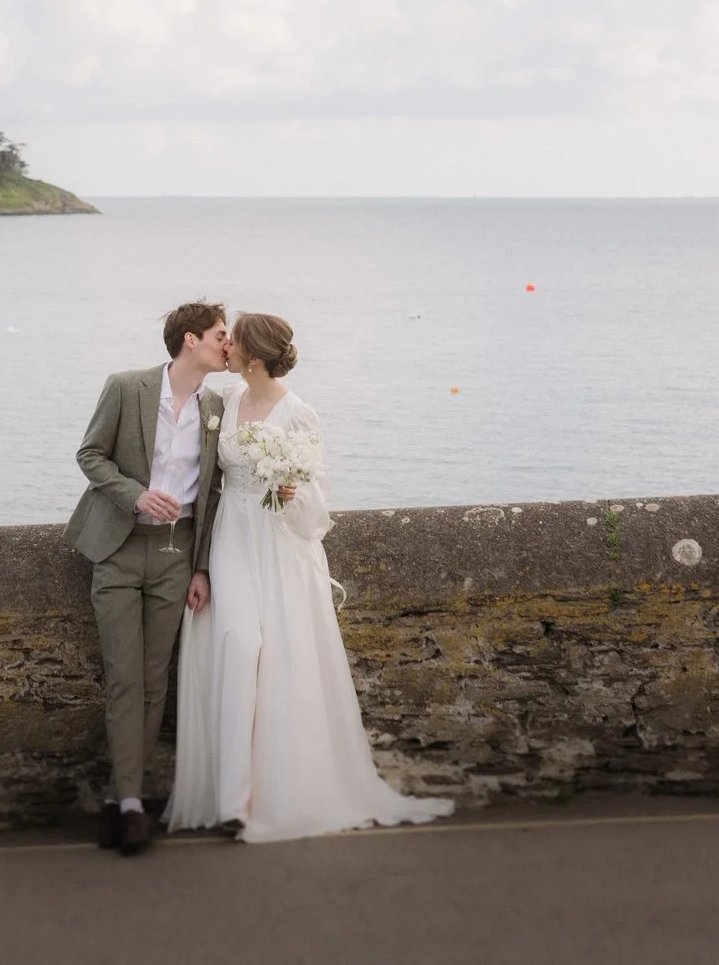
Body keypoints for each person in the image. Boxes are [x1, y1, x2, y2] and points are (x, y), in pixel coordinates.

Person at [167, 311, 454, 842]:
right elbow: (209, 483)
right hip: (232, 536)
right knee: (236, 642)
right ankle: (231, 797)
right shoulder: (225, 403)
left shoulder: (298, 413)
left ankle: (280, 792)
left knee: (279, 656)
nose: (225, 346)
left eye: (234, 342)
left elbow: (318, 500)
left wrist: (294, 496)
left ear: (253, 357)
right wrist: (200, 561)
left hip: (280, 543)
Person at [66, 299, 229, 856]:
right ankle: (131, 802)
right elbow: (90, 455)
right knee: (124, 677)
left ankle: (124, 800)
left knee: (156, 681)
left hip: (175, 555)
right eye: (219, 335)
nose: (227, 345)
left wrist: (201, 565)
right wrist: (135, 494)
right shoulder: (126, 386)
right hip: (117, 548)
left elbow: (212, 494)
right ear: (190, 340)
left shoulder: (218, 407)